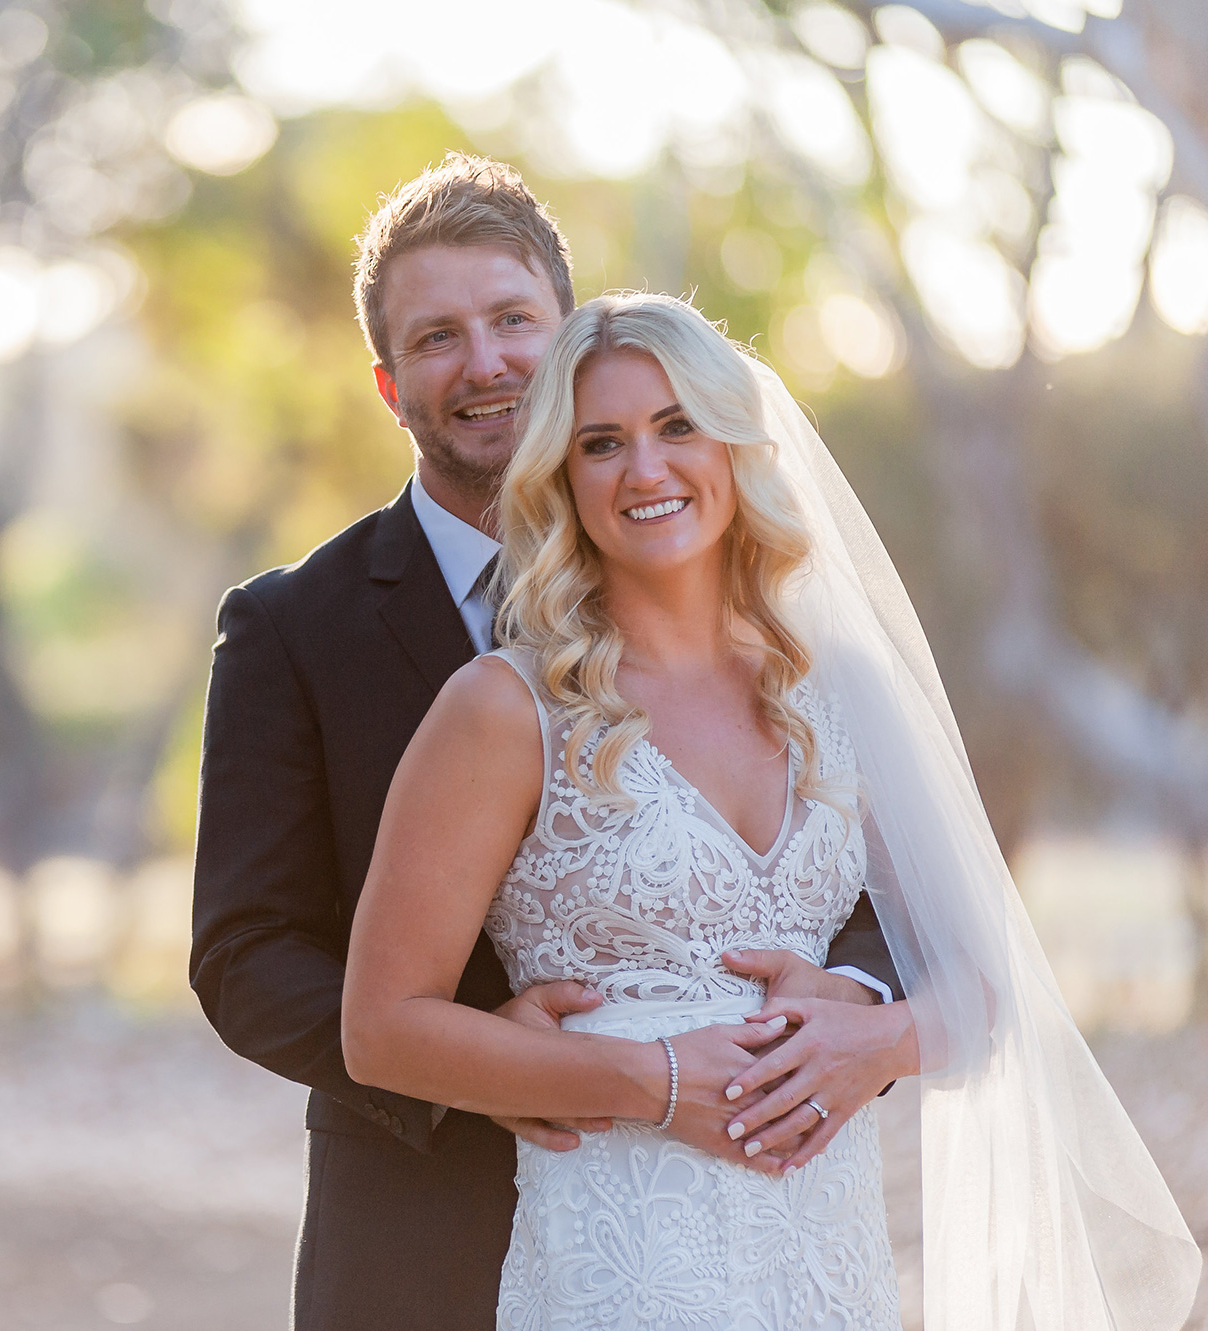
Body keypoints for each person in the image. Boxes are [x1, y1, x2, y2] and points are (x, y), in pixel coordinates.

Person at [340, 290, 1200, 1329]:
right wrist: (647, 1077)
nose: (645, 469)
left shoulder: (835, 693)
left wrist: (876, 1038)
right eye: (601, 442)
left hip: (824, 1261)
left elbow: (983, 988)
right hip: (620, 1266)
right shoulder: (503, 709)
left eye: (676, 427)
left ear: (737, 448)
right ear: (562, 478)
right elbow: (380, 1028)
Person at [190, 155, 906, 1331]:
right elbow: (244, 950)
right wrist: (482, 1067)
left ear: (568, 334)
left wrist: (856, 1005)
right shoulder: (290, 626)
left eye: (512, 319)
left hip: (762, 1215)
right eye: (435, 338)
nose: (483, 363)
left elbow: (879, 878)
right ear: (387, 383)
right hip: (421, 1222)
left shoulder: (772, 640)